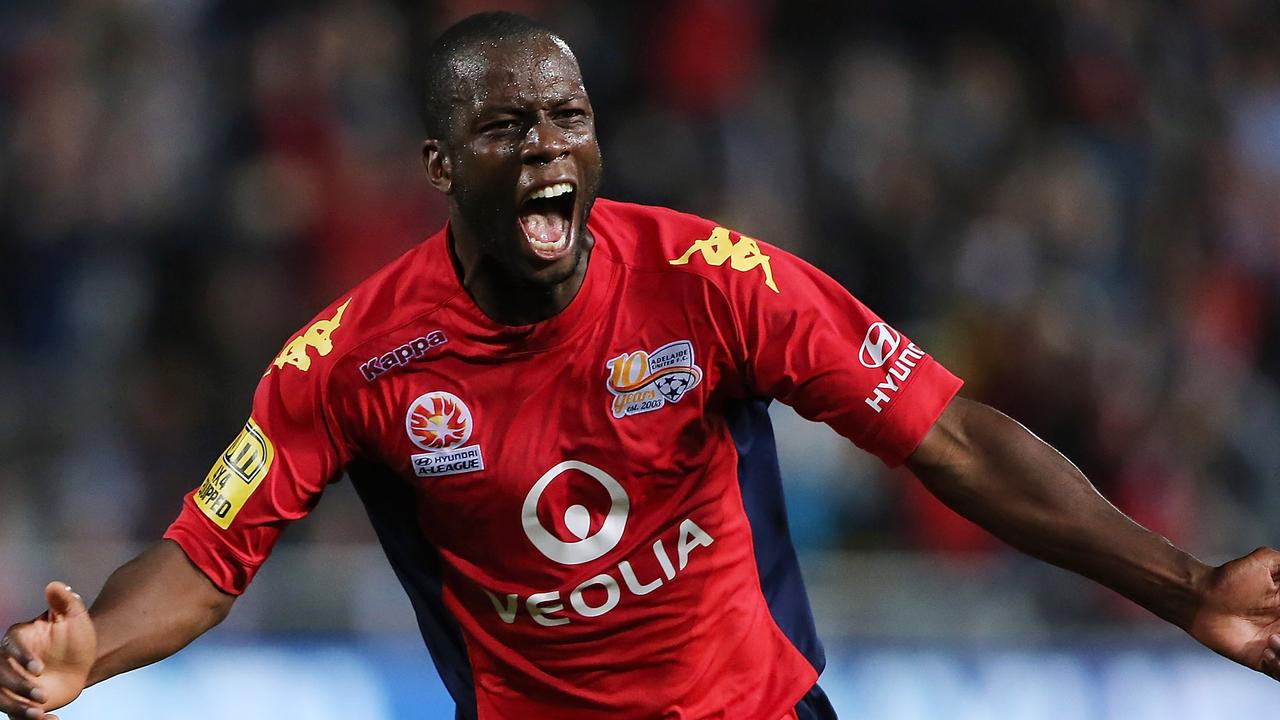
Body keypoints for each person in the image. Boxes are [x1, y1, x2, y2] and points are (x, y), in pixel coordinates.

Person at [4, 11, 1280, 720]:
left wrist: (1180, 586)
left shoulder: (711, 281)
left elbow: (946, 436)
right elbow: (209, 550)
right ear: (444, 167)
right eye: (508, 126)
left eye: (568, 117)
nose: (549, 147)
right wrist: (95, 650)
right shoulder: (352, 359)